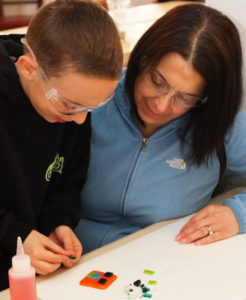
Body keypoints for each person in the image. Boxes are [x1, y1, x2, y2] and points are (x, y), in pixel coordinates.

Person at [75, 3, 246, 254]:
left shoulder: (222, 122)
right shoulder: (96, 96)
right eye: (157, 81)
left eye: (186, 97)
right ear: (142, 58)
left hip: (164, 263)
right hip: (74, 260)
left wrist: (238, 214)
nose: (162, 104)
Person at [0, 0, 123, 291]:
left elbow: (68, 177)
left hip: (31, 272)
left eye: (93, 107)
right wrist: (15, 235)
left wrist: (59, 221)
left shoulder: (72, 103)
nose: (80, 120)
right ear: (29, 68)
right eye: (71, 106)